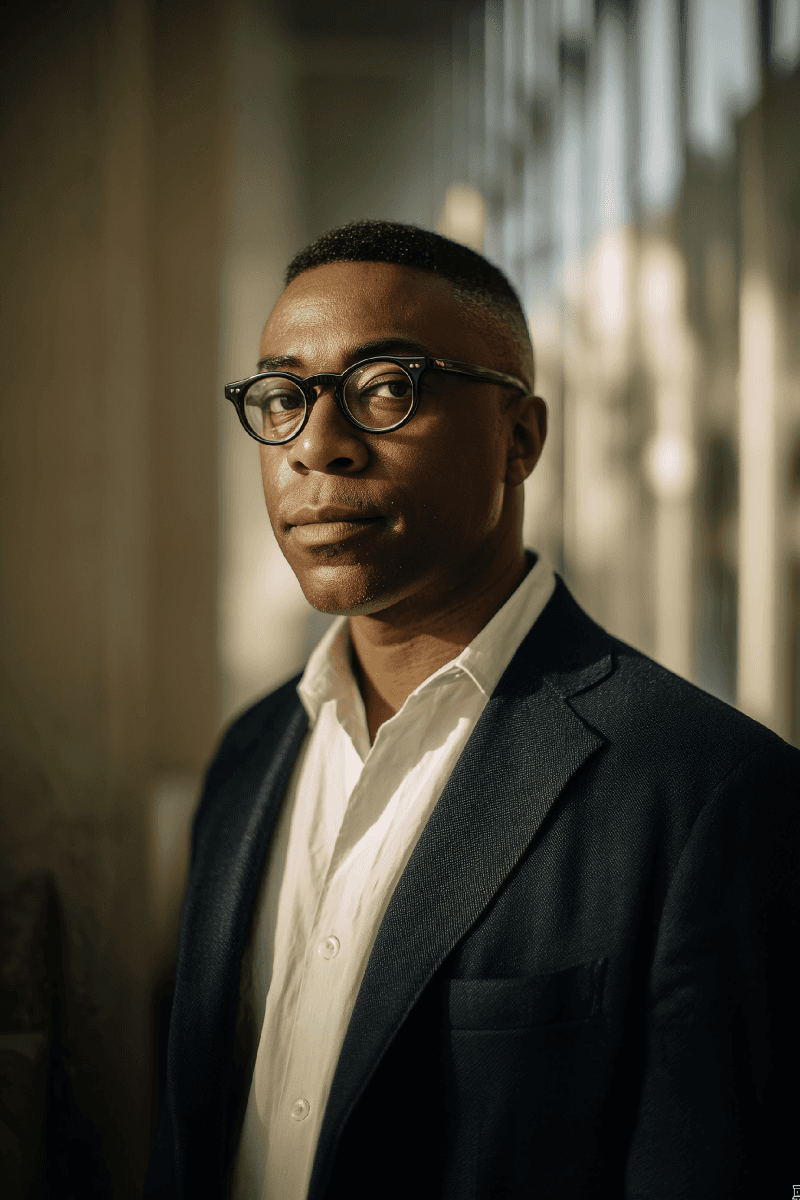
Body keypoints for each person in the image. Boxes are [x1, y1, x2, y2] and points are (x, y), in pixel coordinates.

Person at [145, 221, 799, 1200]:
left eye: (384, 388)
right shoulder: (250, 755)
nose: (316, 446)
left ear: (519, 439)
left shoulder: (707, 792)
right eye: (282, 397)